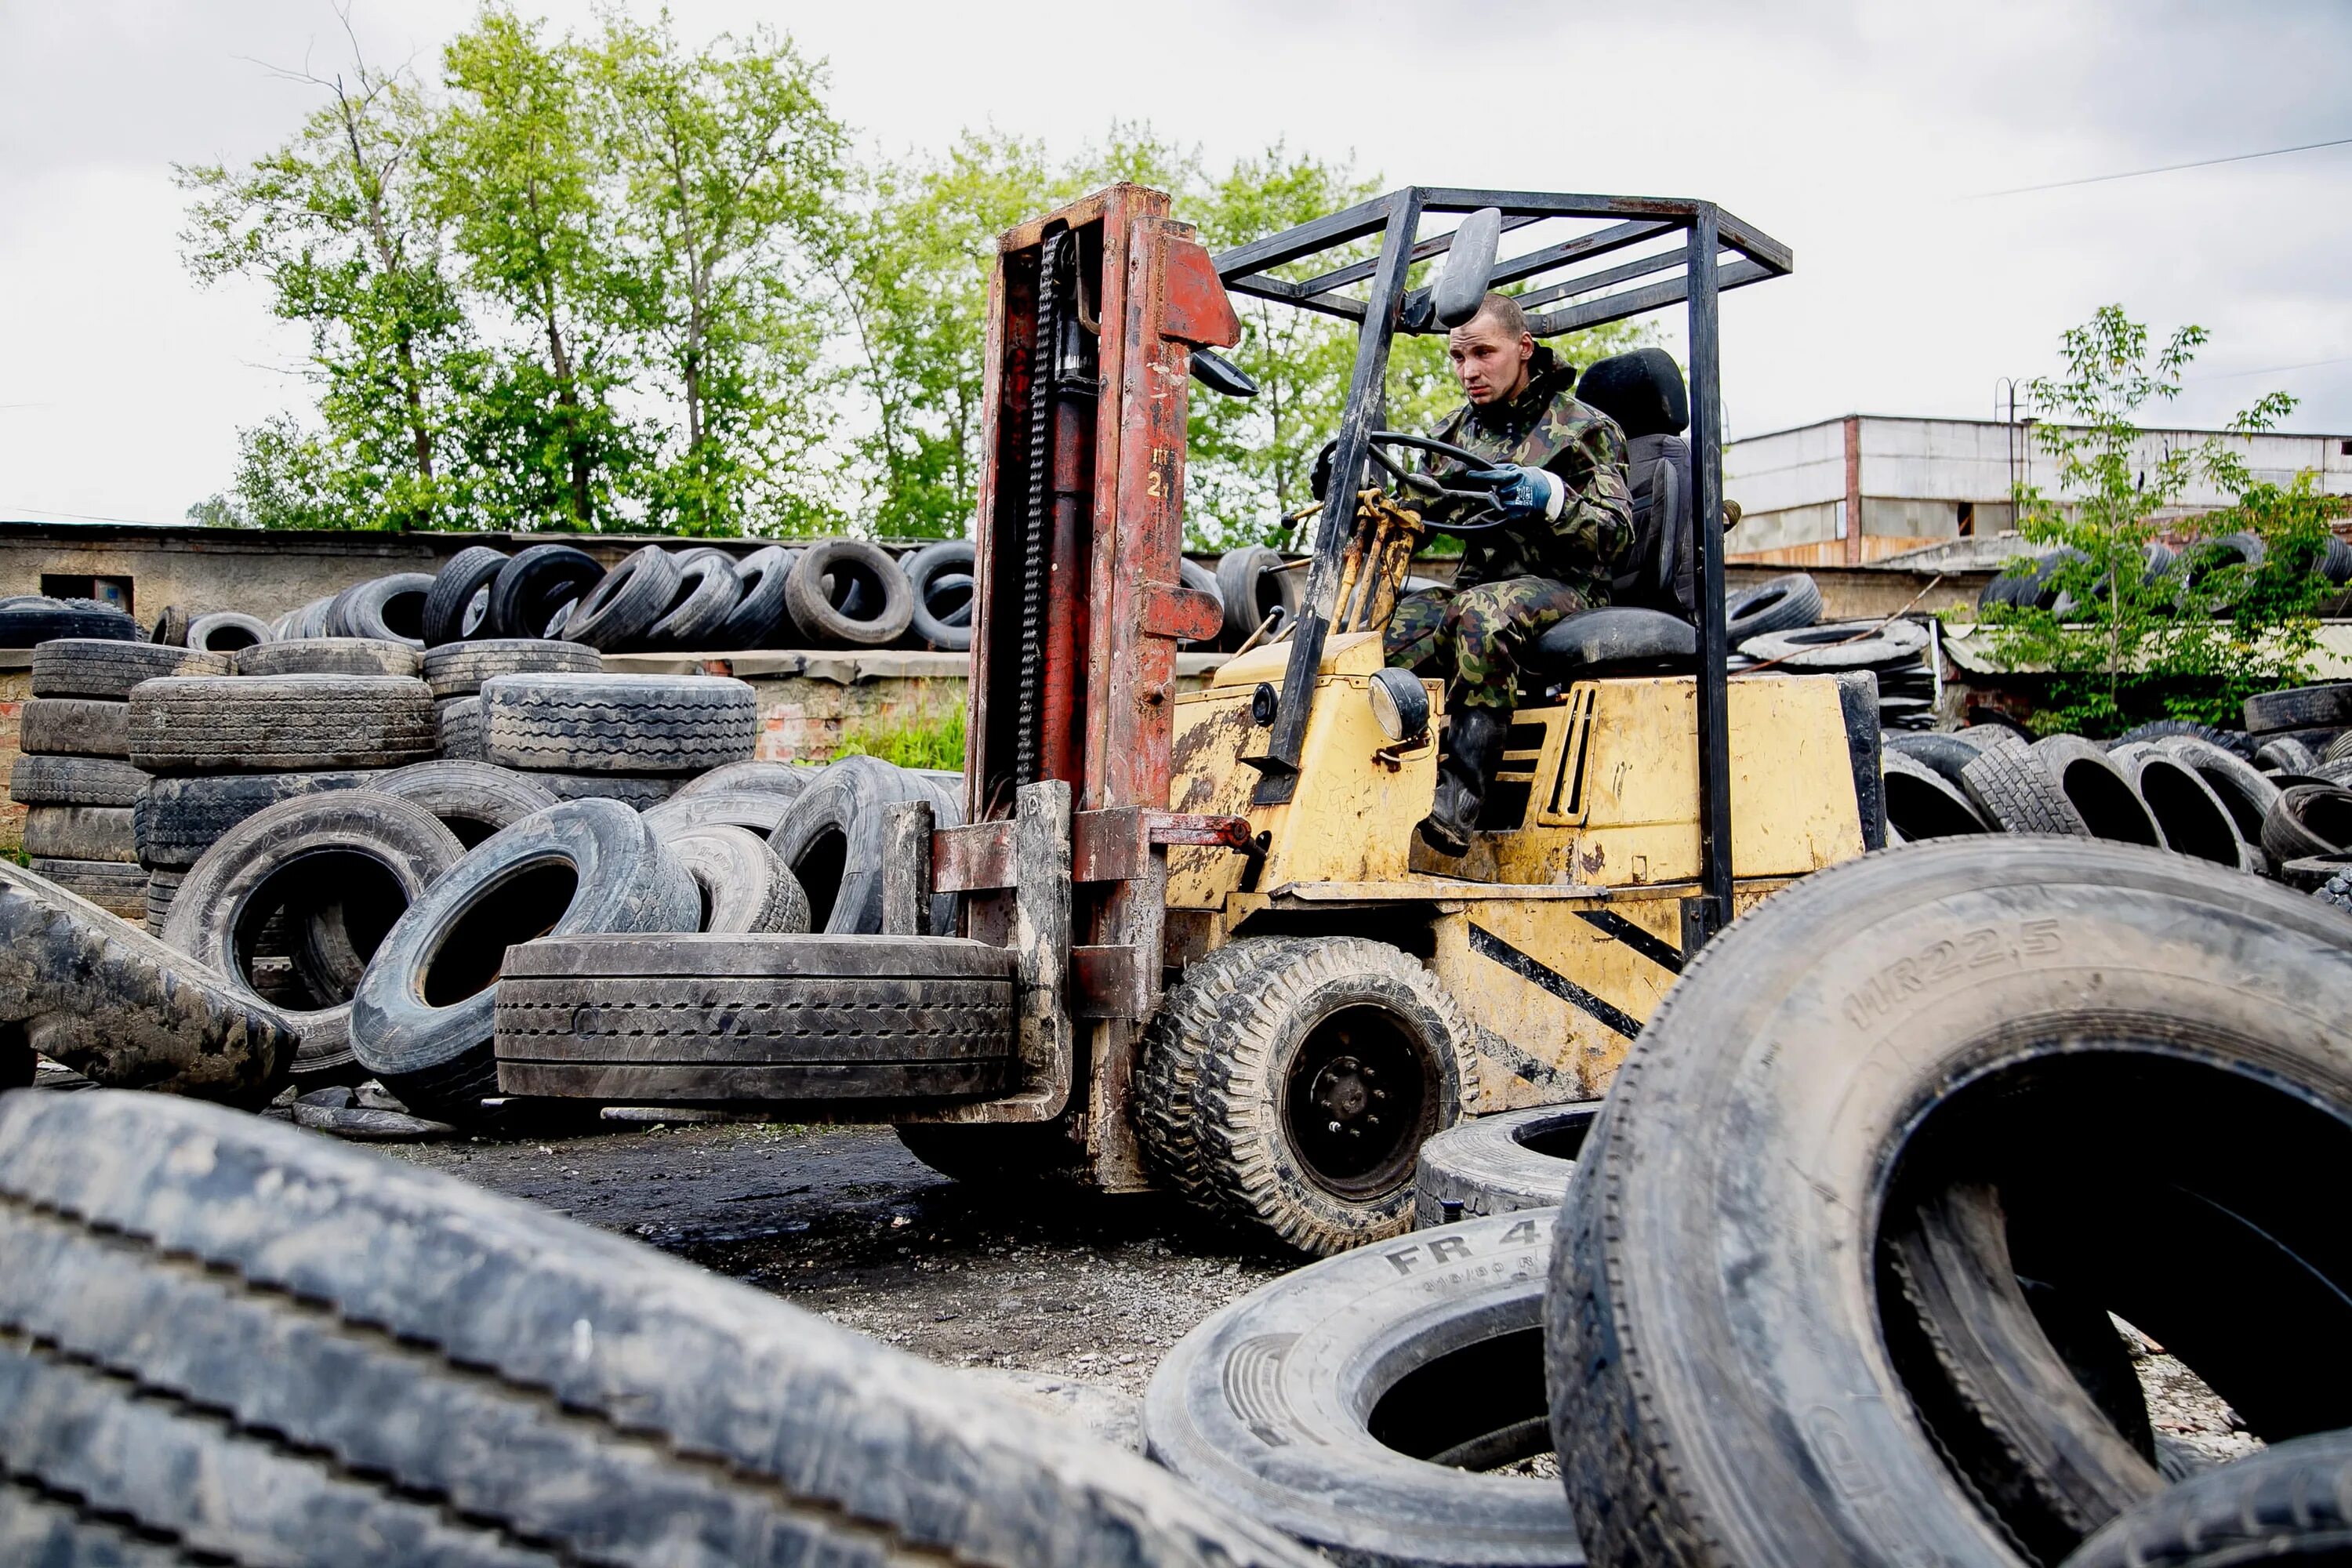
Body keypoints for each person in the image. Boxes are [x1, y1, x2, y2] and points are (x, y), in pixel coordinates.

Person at [1382, 291, 1635, 855]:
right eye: (1457, 358)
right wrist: (1363, 499)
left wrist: (1552, 499)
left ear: (1523, 348)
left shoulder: (1582, 429)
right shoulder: (1455, 434)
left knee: (1480, 616)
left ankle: (1461, 804)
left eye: (1483, 354)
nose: (1468, 371)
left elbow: (1616, 534)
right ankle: (1370, 786)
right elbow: (1413, 512)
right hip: (1481, 590)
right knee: (1380, 631)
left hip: (1570, 592)